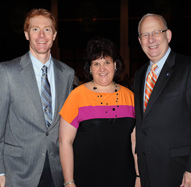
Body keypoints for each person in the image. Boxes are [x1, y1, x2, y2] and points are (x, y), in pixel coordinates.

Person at [0, 8, 74, 187]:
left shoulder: (67, 74)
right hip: (17, 171)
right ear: (26, 34)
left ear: (54, 35)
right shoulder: (7, 72)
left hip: (57, 169)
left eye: (47, 29)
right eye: (35, 29)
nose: (41, 35)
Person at [134, 13, 191, 187]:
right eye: (145, 35)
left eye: (156, 32)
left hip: (182, 172)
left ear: (168, 35)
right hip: (149, 171)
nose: (151, 40)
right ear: (140, 41)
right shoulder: (140, 75)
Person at [59, 38, 140, 187]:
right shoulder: (77, 96)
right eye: (96, 63)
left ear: (115, 65)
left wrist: (139, 176)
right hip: (86, 179)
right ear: (90, 68)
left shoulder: (130, 97)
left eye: (107, 62)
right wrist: (69, 182)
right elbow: (65, 142)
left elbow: (135, 142)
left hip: (125, 179)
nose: (102, 68)